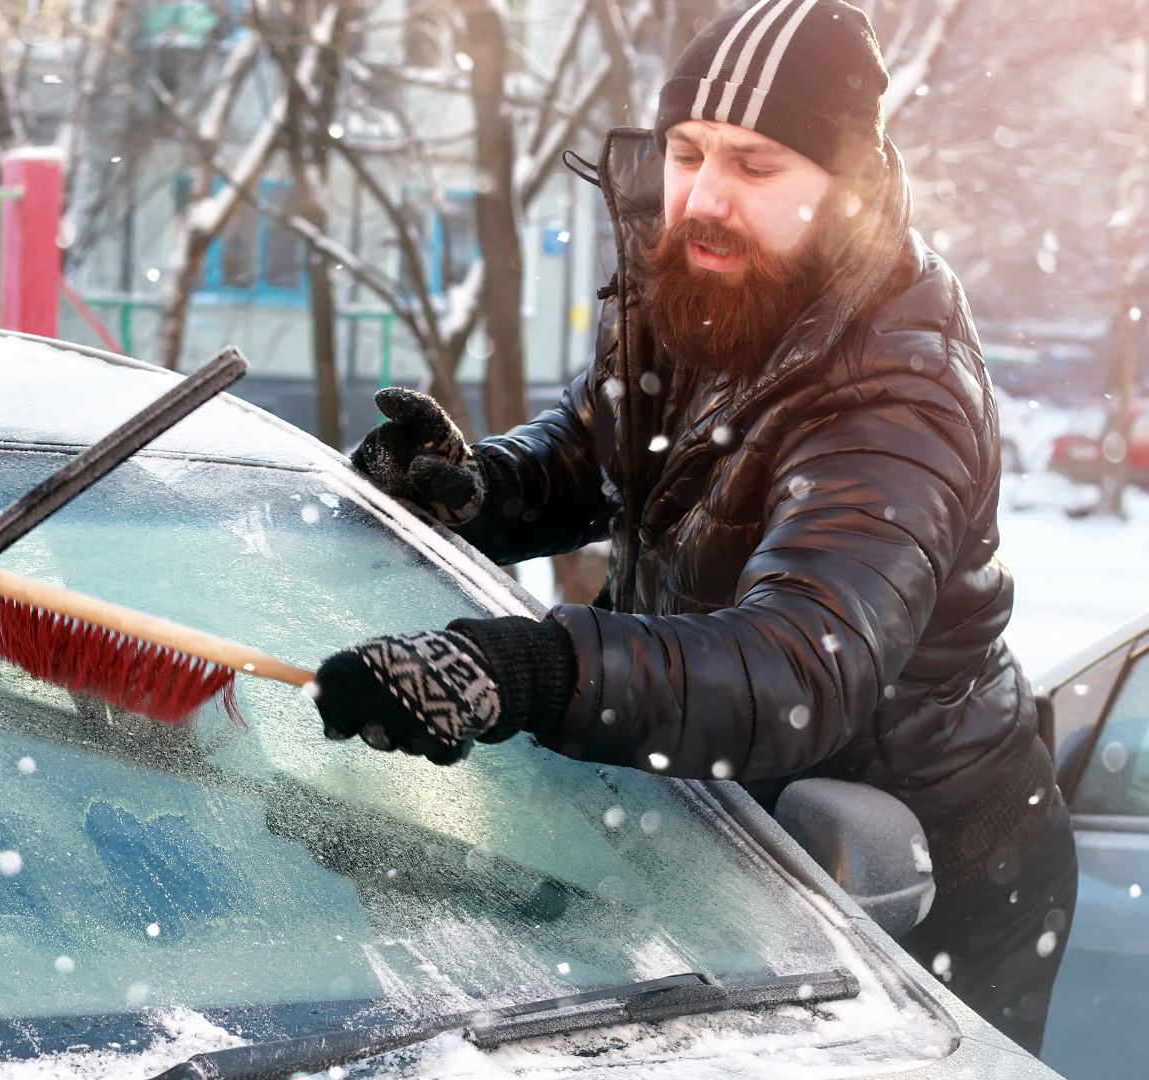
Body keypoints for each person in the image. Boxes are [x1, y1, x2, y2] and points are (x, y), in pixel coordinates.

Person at [311, 0, 1076, 1055]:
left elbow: (802, 665)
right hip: (727, 823)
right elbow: (611, 450)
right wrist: (480, 488)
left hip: (911, 869)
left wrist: (540, 669)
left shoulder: (899, 391)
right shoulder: (713, 274)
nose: (706, 197)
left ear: (845, 189)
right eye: (688, 151)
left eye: (759, 167)